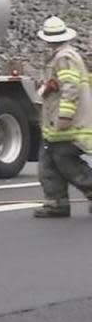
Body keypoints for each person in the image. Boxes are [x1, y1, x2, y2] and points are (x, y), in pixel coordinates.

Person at [33, 16, 92, 218]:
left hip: (66, 122)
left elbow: (70, 88)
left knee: (65, 160)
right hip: (53, 123)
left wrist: (65, 116)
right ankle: (55, 203)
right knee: (48, 161)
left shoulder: (64, 57)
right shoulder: (57, 56)